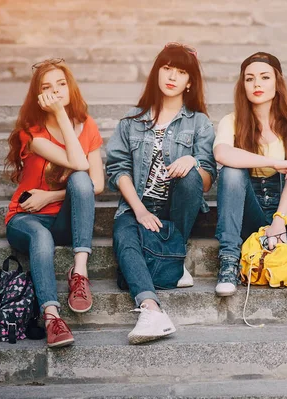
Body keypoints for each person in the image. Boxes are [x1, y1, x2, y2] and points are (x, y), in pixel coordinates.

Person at [213, 52, 287, 337]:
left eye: (265, 77)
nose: (257, 83)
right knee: (230, 171)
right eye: (250, 78)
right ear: (242, 85)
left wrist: (279, 220)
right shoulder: (231, 121)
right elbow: (221, 153)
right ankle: (228, 262)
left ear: (277, 83)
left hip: (283, 201)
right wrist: (271, 162)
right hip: (247, 206)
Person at [106, 43, 217, 344]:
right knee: (124, 235)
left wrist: (192, 160)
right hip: (138, 204)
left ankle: (174, 250)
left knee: (191, 175)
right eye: (167, 68)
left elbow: (207, 180)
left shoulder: (199, 123)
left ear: (189, 81)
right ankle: (151, 311)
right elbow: (117, 169)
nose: (172, 76)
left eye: (181, 72)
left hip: (176, 207)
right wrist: (140, 210)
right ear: (157, 71)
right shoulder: (132, 120)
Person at [4, 58, 104, 348]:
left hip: (64, 218)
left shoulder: (87, 126)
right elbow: (76, 160)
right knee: (41, 236)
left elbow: (94, 182)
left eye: (61, 84)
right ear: (38, 97)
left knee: (81, 181)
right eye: (47, 87)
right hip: (26, 218)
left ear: (71, 87)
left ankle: (79, 272)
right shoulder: (32, 132)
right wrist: (60, 114)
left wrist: (50, 195)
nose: (56, 91)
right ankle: (51, 316)